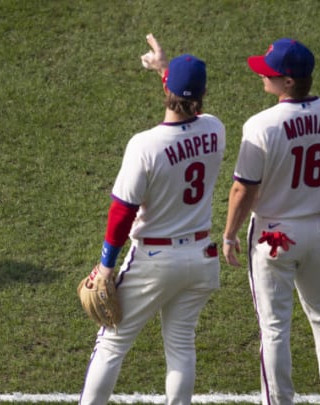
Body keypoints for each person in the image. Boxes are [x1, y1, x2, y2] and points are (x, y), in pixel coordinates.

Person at [78, 34, 226, 405]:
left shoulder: (145, 145)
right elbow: (187, 101)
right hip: (201, 259)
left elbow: (122, 212)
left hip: (155, 262)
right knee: (180, 345)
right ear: (202, 94)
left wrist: (106, 266)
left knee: (111, 342)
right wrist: (166, 69)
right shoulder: (216, 129)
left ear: (168, 91)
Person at [222, 38, 320, 405]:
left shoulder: (261, 125)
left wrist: (229, 234)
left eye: (269, 73)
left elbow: (242, 190)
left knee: (273, 329)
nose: (261, 76)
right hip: (319, 230)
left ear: (288, 83)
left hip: (273, 236)